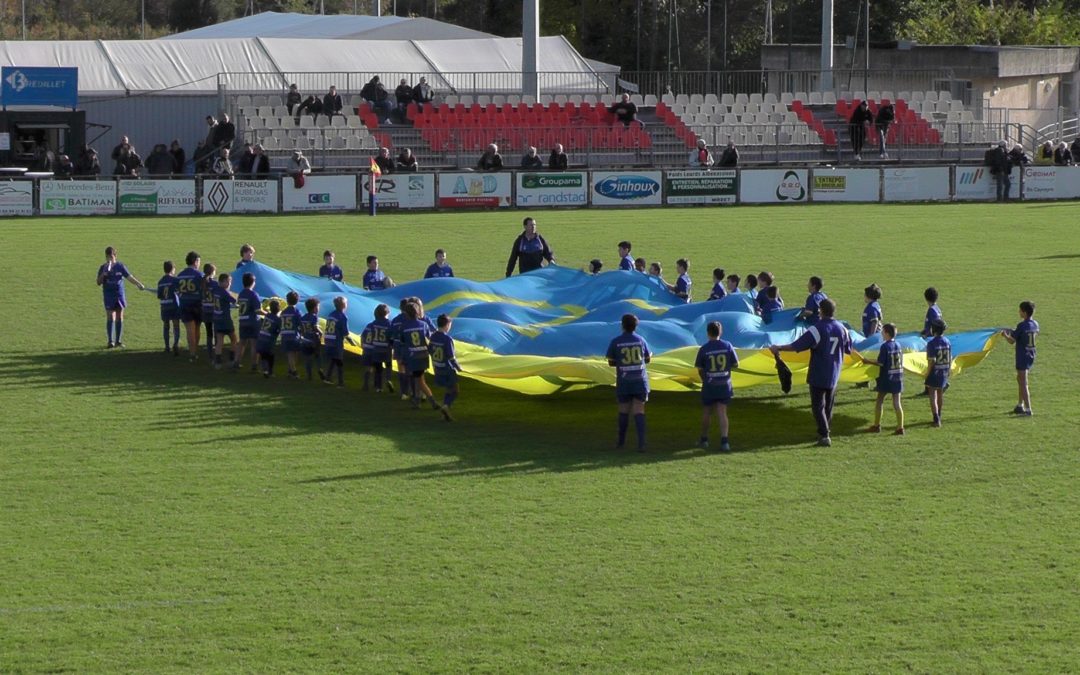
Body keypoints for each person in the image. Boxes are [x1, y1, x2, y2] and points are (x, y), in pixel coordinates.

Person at [770, 298, 852, 447]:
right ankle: (824, 432)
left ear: (820, 311)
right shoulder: (843, 329)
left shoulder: (817, 329)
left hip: (819, 372)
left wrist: (778, 348)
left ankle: (825, 434)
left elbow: (797, 345)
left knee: (817, 406)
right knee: (828, 405)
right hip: (834, 372)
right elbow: (848, 349)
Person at [606, 313, 652, 451]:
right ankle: (642, 443)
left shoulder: (616, 341)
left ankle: (620, 442)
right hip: (640, 380)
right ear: (635, 326)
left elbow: (611, 362)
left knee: (623, 411)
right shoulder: (641, 340)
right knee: (639, 410)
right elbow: (648, 358)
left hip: (624, 381)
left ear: (622, 325)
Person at [696, 320, 738, 451]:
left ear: (708, 333)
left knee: (707, 412)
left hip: (710, 384)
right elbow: (735, 364)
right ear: (721, 332)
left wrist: (705, 379)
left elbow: (699, 368)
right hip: (724, 384)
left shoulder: (704, 349)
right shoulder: (727, 346)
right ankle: (725, 441)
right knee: (722, 412)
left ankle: (704, 439)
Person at [96, 247, 146, 349]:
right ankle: (110, 341)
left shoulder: (120, 266)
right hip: (109, 295)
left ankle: (118, 340)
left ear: (115, 256)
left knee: (119, 316)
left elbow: (129, 277)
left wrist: (138, 284)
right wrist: (104, 274)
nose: (109, 259)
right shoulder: (103, 267)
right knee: (110, 316)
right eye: (107, 257)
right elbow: (98, 282)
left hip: (119, 295)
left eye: (111, 257)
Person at [861, 323, 905, 435]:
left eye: (883, 332)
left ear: (886, 333)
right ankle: (900, 427)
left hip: (887, 377)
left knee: (879, 400)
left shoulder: (885, 346)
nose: (881, 334)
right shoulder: (899, 345)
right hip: (898, 376)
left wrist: (867, 361)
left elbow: (880, 362)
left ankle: (877, 425)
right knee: (897, 403)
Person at [400, 300, 443, 411]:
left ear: (406, 313)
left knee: (419, 380)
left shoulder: (404, 326)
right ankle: (417, 400)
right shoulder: (423, 325)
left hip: (413, 356)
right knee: (418, 378)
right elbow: (429, 337)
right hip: (423, 355)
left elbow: (403, 341)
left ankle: (432, 401)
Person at [1000, 301, 1038, 416]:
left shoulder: (1021, 326)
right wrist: (1013, 331)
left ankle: (1028, 409)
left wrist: (1005, 335)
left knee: (1023, 382)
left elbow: (1012, 341)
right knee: (1020, 379)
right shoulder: (1035, 324)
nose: (1019, 312)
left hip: (1022, 356)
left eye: (1020, 310)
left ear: (1024, 313)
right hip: (1031, 354)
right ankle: (1020, 405)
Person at [429, 314, 461, 420]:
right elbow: (451, 357)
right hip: (447, 368)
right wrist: (458, 367)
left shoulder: (433, 336)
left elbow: (430, 350)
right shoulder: (447, 339)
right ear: (447, 325)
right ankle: (446, 406)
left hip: (437, 368)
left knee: (448, 389)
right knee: (455, 390)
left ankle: (444, 414)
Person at [176, 251, 205, 361]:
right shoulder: (199, 275)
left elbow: (177, 290)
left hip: (184, 304)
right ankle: (194, 351)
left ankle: (192, 353)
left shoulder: (180, 275)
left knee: (190, 330)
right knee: (197, 328)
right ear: (196, 261)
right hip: (197, 304)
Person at [924, 319, 951, 427]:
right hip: (944, 370)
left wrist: (927, 372)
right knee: (940, 393)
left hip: (935, 372)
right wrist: (948, 370)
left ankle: (936, 418)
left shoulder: (931, 343)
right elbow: (950, 357)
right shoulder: (947, 342)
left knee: (932, 395)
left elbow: (932, 360)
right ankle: (939, 414)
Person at [361, 304, 393, 392]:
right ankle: (388, 379)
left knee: (378, 368)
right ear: (387, 313)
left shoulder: (372, 324)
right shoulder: (389, 324)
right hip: (386, 348)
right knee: (388, 365)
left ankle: (379, 387)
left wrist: (363, 345)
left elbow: (364, 335)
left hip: (376, 348)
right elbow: (391, 336)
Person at [236, 272, 263, 372]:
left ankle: (237, 362)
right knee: (254, 344)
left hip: (242, 321)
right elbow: (257, 310)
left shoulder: (241, 293)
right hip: (253, 322)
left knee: (242, 343)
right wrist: (267, 313)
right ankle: (254, 365)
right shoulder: (253, 294)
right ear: (253, 282)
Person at [212, 272, 239, 370]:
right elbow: (234, 300)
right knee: (234, 339)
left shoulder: (215, 290)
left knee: (219, 342)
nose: (230, 284)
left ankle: (218, 362)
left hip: (217, 318)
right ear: (223, 282)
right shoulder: (224, 291)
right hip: (225, 319)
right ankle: (232, 359)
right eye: (229, 282)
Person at [156, 261, 181, 355]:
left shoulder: (160, 281)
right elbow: (179, 291)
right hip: (174, 305)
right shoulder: (175, 280)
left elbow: (159, 295)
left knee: (166, 326)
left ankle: (167, 347)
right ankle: (176, 343)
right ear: (172, 269)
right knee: (176, 325)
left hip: (164, 306)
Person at [323, 296, 349, 387]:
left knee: (333, 359)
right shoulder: (342, 316)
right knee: (339, 360)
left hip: (328, 339)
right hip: (336, 340)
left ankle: (328, 377)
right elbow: (345, 331)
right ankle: (341, 382)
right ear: (343, 305)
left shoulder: (331, 315)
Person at [299, 297, 325, 381]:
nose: (318, 309)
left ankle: (309, 375)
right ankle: (320, 369)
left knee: (308, 358)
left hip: (305, 340)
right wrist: (321, 333)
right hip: (314, 339)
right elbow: (315, 327)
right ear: (314, 308)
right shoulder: (314, 317)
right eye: (318, 307)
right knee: (318, 356)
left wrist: (302, 336)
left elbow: (301, 329)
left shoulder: (303, 318)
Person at [255, 300, 282, 378]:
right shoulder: (278, 319)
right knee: (270, 356)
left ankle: (265, 370)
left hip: (261, 338)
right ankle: (270, 371)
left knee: (263, 355)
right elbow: (279, 329)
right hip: (269, 340)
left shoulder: (267, 315)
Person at [280, 291, 303, 379]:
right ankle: (294, 371)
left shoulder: (284, 312)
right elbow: (300, 323)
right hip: (293, 335)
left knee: (291, 352)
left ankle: (291, 369)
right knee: (292, 352)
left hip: (285, 334)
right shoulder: (297, 311)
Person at [200, 263, 218, 362]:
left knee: (208, 333)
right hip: (214, 311)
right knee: (216, 332)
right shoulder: (215, 284)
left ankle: (209, 354)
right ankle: (216, 352)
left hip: (205, 310)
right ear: (212, 272)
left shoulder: (202, 282)